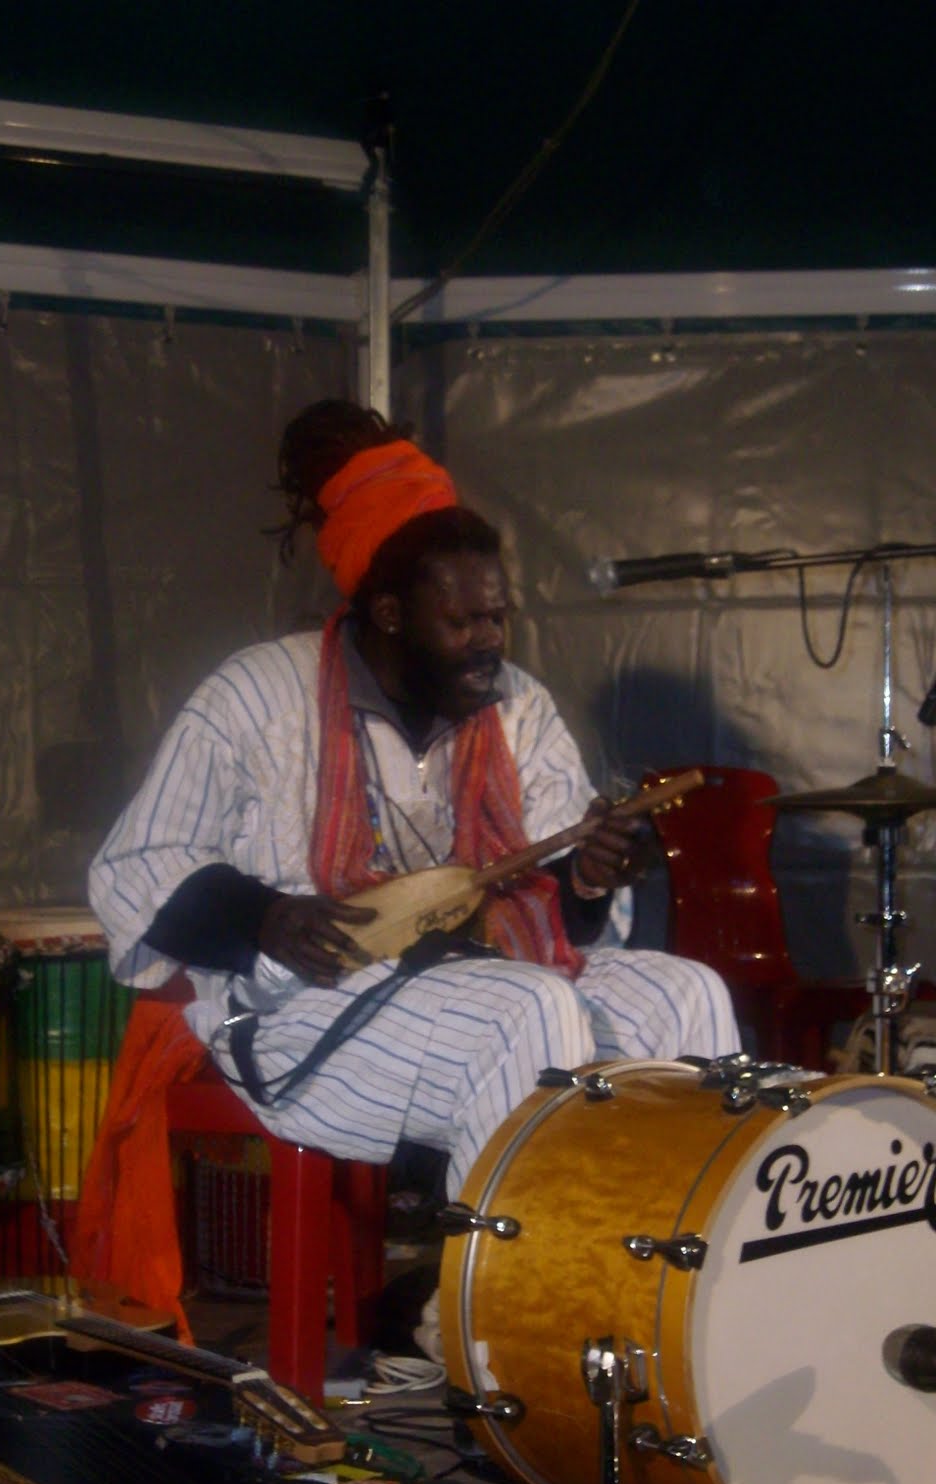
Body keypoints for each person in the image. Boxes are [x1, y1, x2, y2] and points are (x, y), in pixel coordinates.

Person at [89, 399, 740, 1240]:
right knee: (532, 1012)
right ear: (392, 615)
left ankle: (659, 1276)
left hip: (493, 969)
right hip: (302, 1006)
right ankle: (492, 1302)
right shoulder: (258, 696)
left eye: (498, 617)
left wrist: (587, 876)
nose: (489, 641)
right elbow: (138, 864)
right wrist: (265, 915)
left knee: (687, 993)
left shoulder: (517, 706)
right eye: (463, 621)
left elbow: (566, 911)